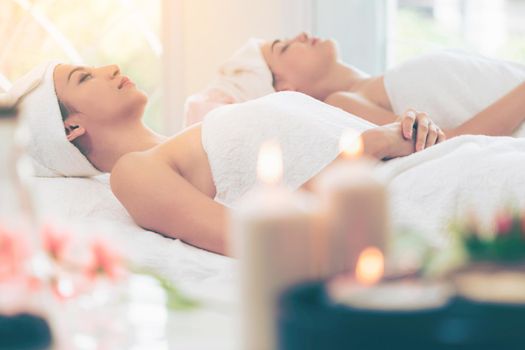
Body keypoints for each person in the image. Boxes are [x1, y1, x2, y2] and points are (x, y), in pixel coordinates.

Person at [12, 62, 442, 255]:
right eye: (84, 78)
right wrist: (365, 150)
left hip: (433, 163)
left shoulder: (196, 130)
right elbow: (265, 239)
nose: (109, 67)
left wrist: (407, 128)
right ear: (69, 129)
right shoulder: (135, 172)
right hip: (411, 205)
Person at [260, 32, 525, 150]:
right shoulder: (343, 102)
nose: (302, 35)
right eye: (283, 47)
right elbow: (449, 143)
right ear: (285, 88)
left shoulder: (382, 80)